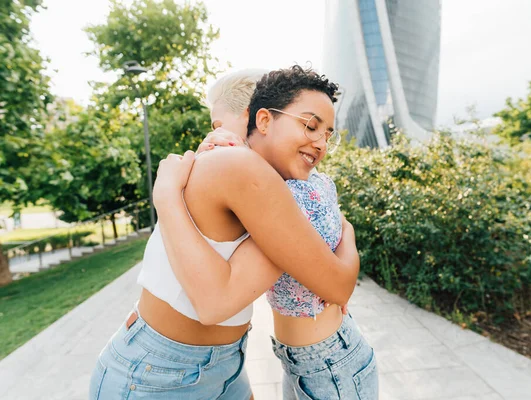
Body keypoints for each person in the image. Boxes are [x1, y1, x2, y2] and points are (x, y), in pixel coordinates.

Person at [88, 67, 361, 400]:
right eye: (308, 125)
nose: (214, 135)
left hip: (216, 363)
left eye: (217, 124)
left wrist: (167, 195)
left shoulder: (268, 179)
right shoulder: (235, 165)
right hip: (159, 372)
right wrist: (166, 196)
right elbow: (215, 303)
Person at [156, 65, 379, 399]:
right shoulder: (285, 182)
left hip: (332, 362)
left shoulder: (291, 191)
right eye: (310, 126)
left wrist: (349, 239)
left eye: (326, 133)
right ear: (262, 120)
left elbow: (341, 286)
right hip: (305, 360)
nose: (321, 143)